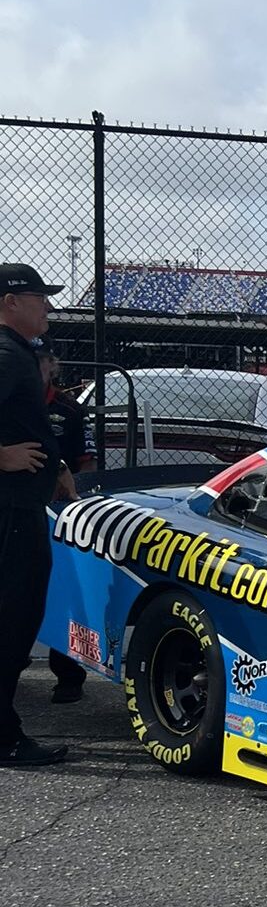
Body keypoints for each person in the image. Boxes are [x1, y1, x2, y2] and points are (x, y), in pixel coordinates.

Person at [0, 263, 74, 765]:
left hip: (23, 504)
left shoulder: (17, 352)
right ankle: (3, 736)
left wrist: (59, 464)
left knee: (19, 616)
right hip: (11, 510)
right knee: (12, 618)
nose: (46, 305)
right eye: (38, 296)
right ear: (10, 301)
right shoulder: (5, 353)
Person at [34, 338, 95, 705]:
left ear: (52, 366)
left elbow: (86, 464)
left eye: (41, 362)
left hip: (58, 513)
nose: (35, 368)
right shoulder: (10, 402)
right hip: (15, 506)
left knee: (64, 590)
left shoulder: (69, 411)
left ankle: (69, 674)